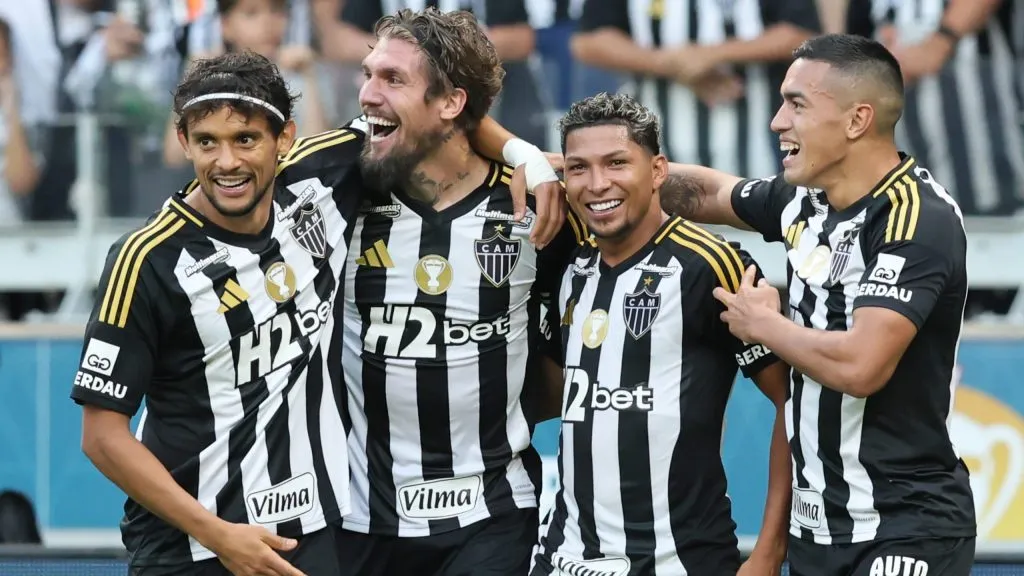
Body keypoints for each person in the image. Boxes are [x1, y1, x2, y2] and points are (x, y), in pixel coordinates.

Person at [70, 46, 563, 575]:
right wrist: (219, 536)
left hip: (308, 535)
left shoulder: (322, 179)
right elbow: (102, 438)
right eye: (207, 142)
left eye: (246, 139)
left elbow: (436, 115)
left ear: (284, 140)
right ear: (182, 141)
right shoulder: (146, 259)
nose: (227, 162)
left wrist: (525, 157)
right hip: (194, 544)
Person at [658, 34, 976, 575]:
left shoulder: (917, 219)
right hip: (818, 530)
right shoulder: (803, 203)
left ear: (857, 120)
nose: (777, 121)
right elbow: (711, 193)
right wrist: (584, 170)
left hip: (905, 526)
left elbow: (861, 366)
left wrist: (764, 324)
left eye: (797, 104)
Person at [323, 8, 585, 575]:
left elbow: (633, 185)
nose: (367, 94)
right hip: (357, 518)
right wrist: (521, 149)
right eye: (368, 74)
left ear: (451, 103)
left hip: (493, 514)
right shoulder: (337, 195)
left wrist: (530, 161)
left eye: (393, 79)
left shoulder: (534, 203)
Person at [530, 92, 792, 576]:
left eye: (616, 163)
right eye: (578, 169)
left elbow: (792, 402)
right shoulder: (565, 261)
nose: (597, 184)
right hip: (564, 560)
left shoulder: (710, 266)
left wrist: (770, 552)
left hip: (680, 562)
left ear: (657, 171)